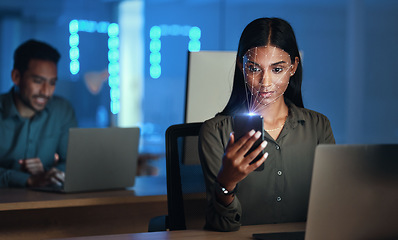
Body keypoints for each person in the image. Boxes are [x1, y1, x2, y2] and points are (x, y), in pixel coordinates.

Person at [198, 18, 335, 232]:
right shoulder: (216, 132)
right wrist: (226, 184)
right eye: (254, 69)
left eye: (277, 69)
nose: (266, 82)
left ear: (293, 67)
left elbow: (332, 208)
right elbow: (220, 225)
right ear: (240, 66)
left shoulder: (318, 126)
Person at [0, 39, 77, 188]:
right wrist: (27, 179)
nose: (46, 92)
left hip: (46, 204)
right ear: (16, 77)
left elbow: (73, 164)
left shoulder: (62, 111)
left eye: (52, 83)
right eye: (38, 81)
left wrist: (47, 173)